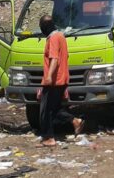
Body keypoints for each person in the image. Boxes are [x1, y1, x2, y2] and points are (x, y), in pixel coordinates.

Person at [38, 15, 83, 148]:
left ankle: (49, 138)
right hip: (62, 78)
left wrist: (49, 76)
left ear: (45, 27)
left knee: (45, 110)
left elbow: (54, 59)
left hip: (54, 80)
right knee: (55, 108)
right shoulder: (61, 37)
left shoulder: (53, 38)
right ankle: (75, 121)